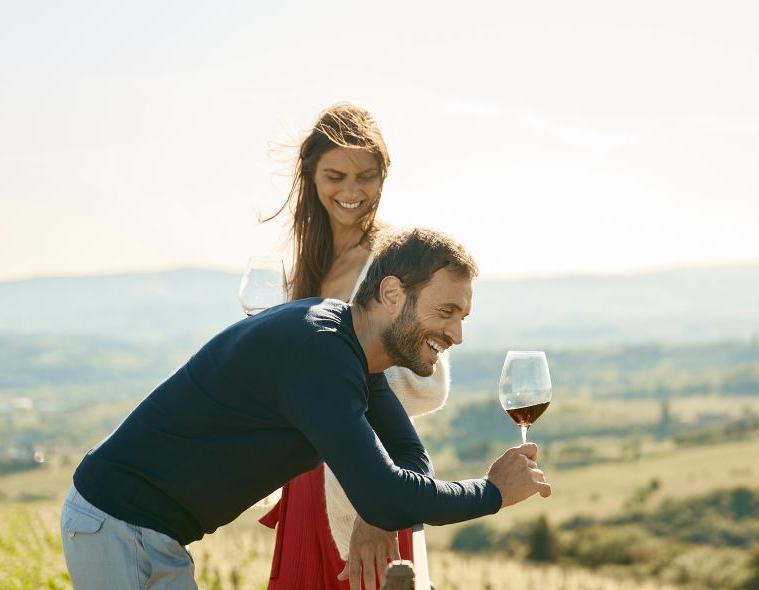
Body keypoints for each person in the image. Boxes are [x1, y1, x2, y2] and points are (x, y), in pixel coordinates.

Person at [60, 227, 552, 590]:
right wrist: (491, 492)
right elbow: (387, 497)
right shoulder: (319, 354)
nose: (457, 334)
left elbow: (408, 456)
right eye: (446, 312)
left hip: (148, 532)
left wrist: (392, 499)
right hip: (119, 524)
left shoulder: (351, 349)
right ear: (391, 293)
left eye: (463, 316)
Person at [256, 103, 451, 589]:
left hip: (366, 484)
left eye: (365, 176)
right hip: (305, 479)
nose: (351, 191)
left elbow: (429, 379)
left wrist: (377, 502)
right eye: (335, 176)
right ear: (311, 176)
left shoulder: (399, 259)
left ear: (383, 176)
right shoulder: (309, 264)